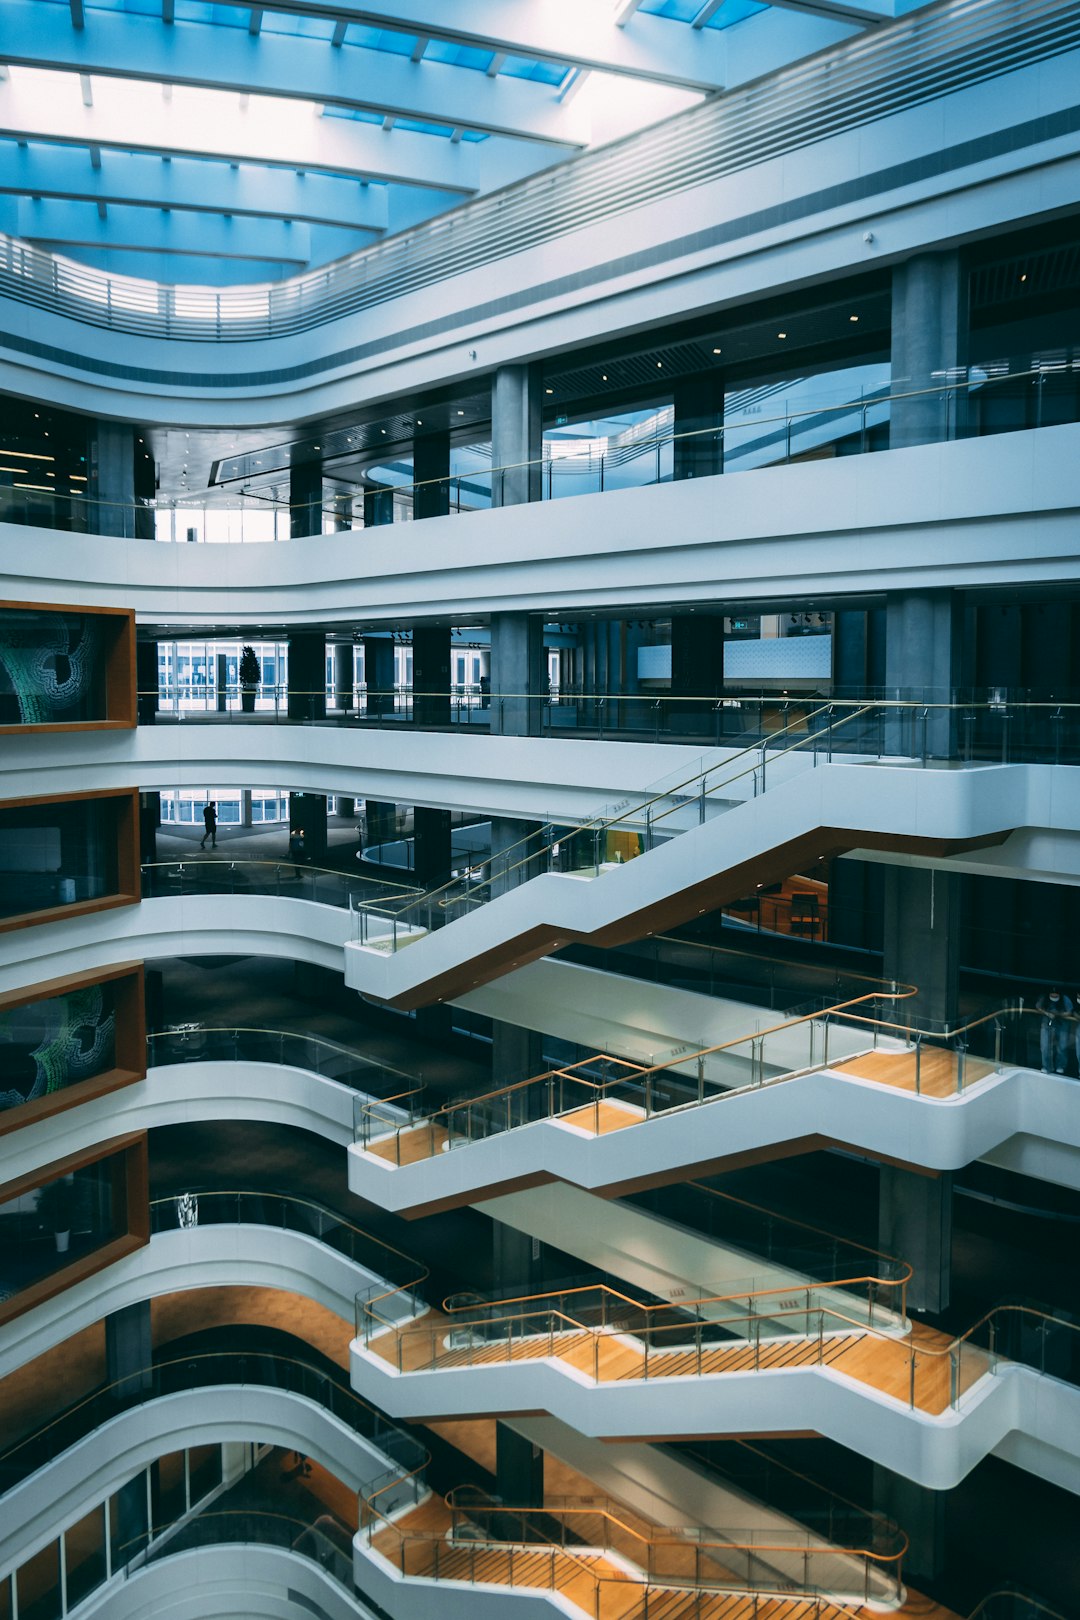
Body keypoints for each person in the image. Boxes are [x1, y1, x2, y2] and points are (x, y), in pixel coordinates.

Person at [1036, 987, 1072, 1073]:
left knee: (1062, 1046)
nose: (1054, 997)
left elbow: (1070, 1011)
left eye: (1056, 996)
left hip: (1062, 1024)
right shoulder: (1044, 998)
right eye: (1052, 995)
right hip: (1046, 1023)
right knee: (1045, 1046)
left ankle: (1060, 1066)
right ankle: (1046, 1066)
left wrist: (1059, 1014)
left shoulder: (1065, 999)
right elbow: (1038, 1007)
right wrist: (1047, 1013)